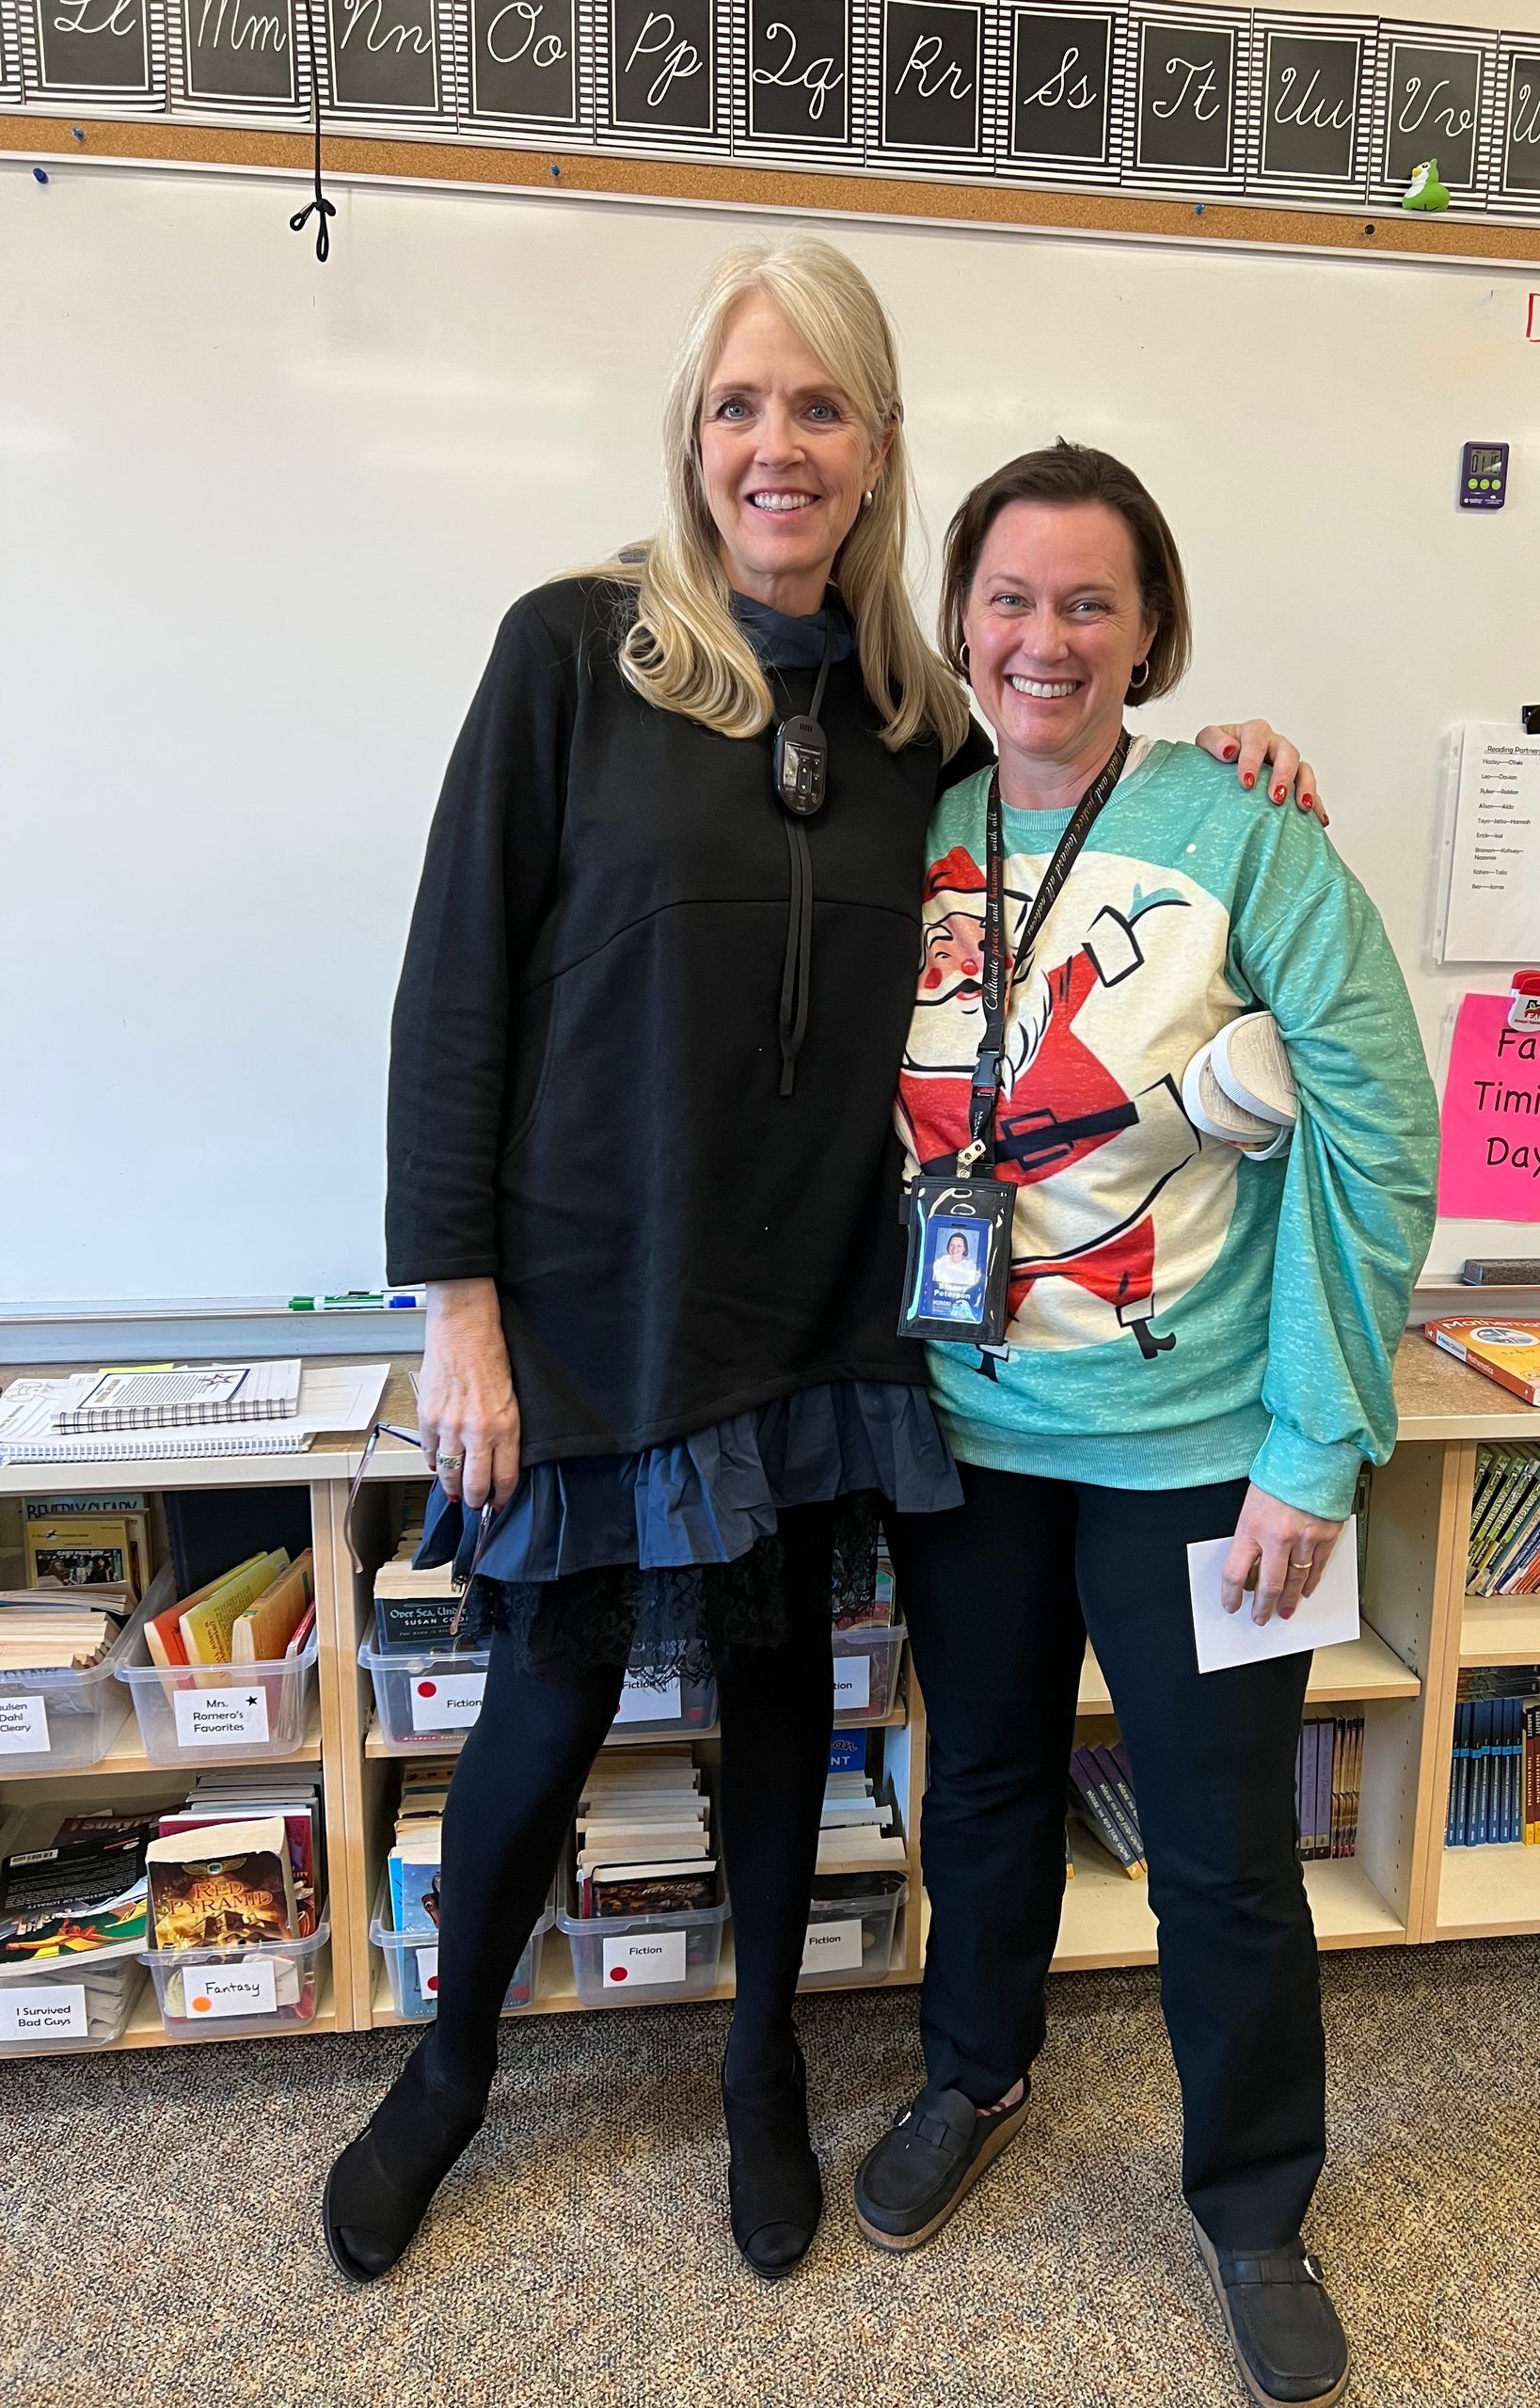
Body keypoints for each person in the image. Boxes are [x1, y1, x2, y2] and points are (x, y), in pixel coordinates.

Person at [322, 241, 1320, 2288]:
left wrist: (1230, 762)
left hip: (811, 1313)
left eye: (821, 407)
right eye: (740, 406)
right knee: (546, 1697)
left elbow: (1072, 771)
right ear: (693, 437)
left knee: (789, 1705)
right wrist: (460, 1313)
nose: (778, 444)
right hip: (589, 1304)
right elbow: (452, 999)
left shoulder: (908, 712)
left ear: (874, 447)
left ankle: (764, 2060)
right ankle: (447, 2065)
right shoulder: (568, 654)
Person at [858, 443, 1438, 2408]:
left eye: (1090, 601)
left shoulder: (1248, 830)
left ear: (1153, 631)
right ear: (960, 619)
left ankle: (1259, 2198)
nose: (1046, 637)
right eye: (1011, 598)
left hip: (1203, 1448)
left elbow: (1380, 1126)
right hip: (963, 1436)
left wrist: (1313, 1440)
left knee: (1219, 1847)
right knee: (991, 1783)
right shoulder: (904, 828)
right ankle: (973, 2069)